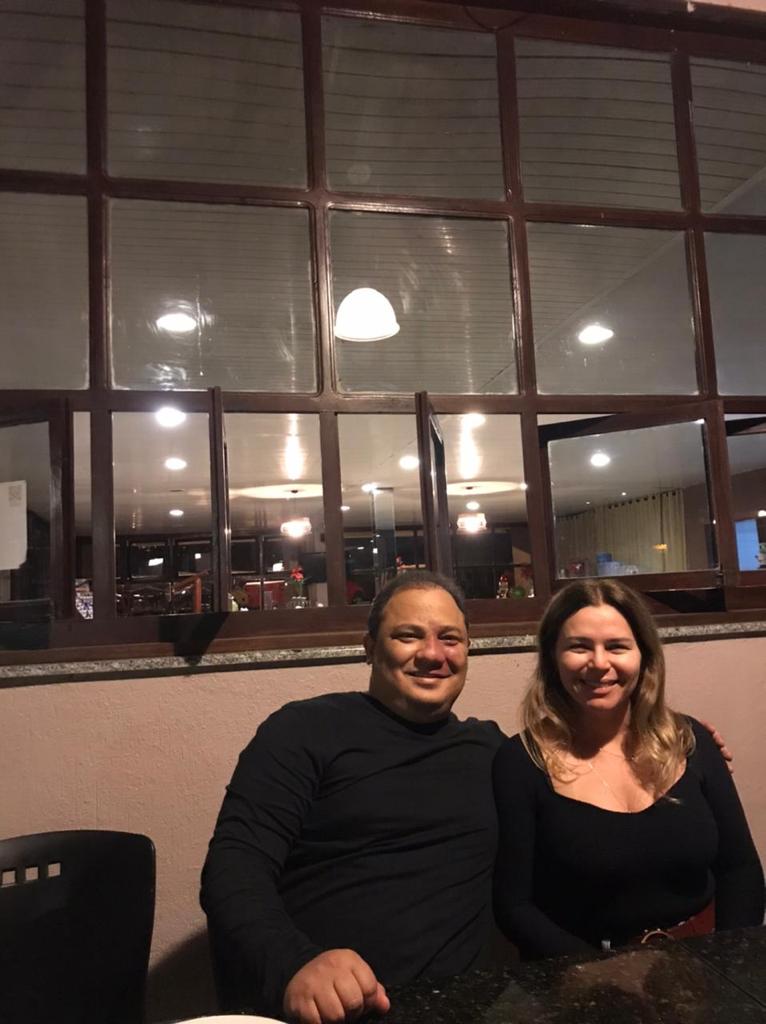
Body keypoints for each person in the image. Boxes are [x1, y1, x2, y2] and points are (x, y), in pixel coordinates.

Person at [201, 571, 504, 1024]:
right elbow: (233, 870)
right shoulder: (303, 730)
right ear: (369, 648)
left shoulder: (492, 751)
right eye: (408, 636)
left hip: (457, 1009)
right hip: (328, 1012)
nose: (432, 654)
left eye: (450, 639)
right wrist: (294, 964)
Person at [492, 579, 764, 960]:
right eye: (579, 646)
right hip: (582, 973)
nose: (599, 663)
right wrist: (602, 973)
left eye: (617, 646)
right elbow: (514, 906)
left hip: (707, 962)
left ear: (644, 655)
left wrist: (728, 960)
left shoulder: (690, 740)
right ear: (552, 658)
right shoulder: (521, 761)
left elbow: (740, 869)